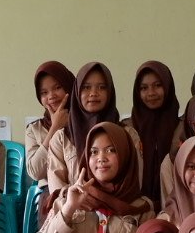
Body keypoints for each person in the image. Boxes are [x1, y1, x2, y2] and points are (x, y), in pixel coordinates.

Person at [43, 62, 130, 192]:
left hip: (119, 209)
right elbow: (57, 192)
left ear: (110, 91)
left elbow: (133, 182)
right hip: (74, 209)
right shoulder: (61, 139)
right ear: (77, 92)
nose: (93, 93)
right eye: (86, 87)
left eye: (101, 87)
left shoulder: (127, 134)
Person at [127, 61, 182, 205]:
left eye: (158, 85)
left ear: (168, 87)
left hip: (175, 208)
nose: (151, 93)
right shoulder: (127, 128)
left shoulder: (182, 128)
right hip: (136, 209)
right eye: (144, 88)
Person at [25, 61, 74, 193]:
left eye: (57, 88)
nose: (51, 96)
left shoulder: (83, 122)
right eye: (44, 92)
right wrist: (55, 128)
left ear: (69, 87)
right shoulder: (34, 129)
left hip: (83, 190)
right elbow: (35, 172)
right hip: (51, 194)